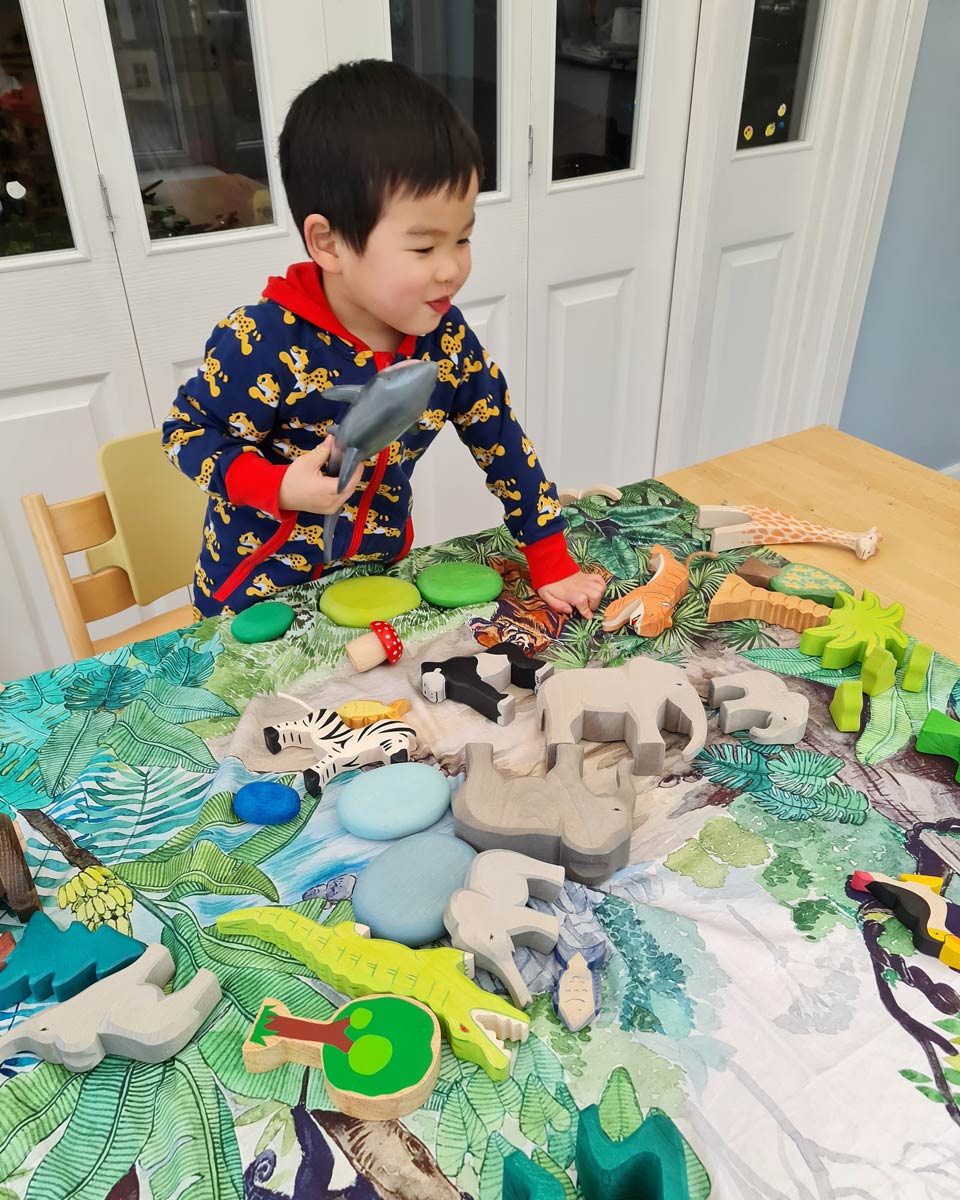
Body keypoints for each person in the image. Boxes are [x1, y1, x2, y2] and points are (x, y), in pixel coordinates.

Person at [162, 59, 606, 620]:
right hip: (252, 599)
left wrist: (550, 558)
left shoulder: (444, 340)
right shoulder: (261, 341)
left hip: (380, 586)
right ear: (329, 243)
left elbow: (503, 442)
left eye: (464, 237)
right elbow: (186, 433)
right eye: (423, 248)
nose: (451, 270)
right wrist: (275, 486)